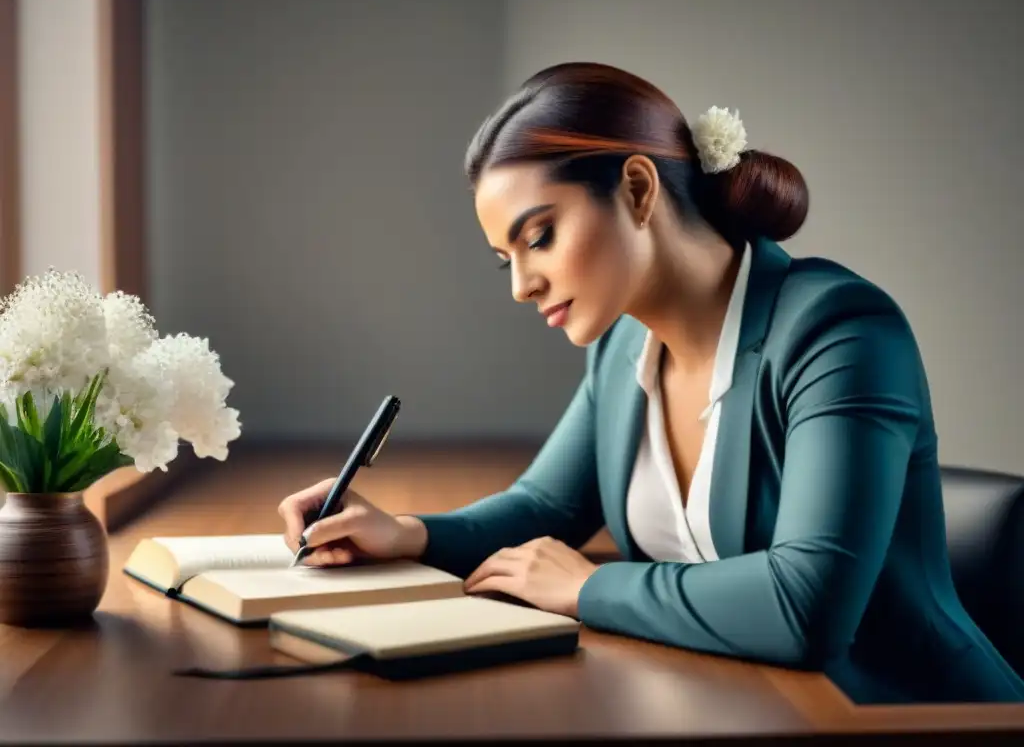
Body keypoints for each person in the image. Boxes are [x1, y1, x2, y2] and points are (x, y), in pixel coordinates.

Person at [277, 62, 1024, 705]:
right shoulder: (624, 346)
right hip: (735, 707)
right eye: (504, 257)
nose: (520, 286)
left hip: (914, 718)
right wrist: (406, 534)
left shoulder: (841, 332)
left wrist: (589, 589)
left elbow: (808, 606)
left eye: (538, 237)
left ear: (637, 188)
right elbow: (546, 509)